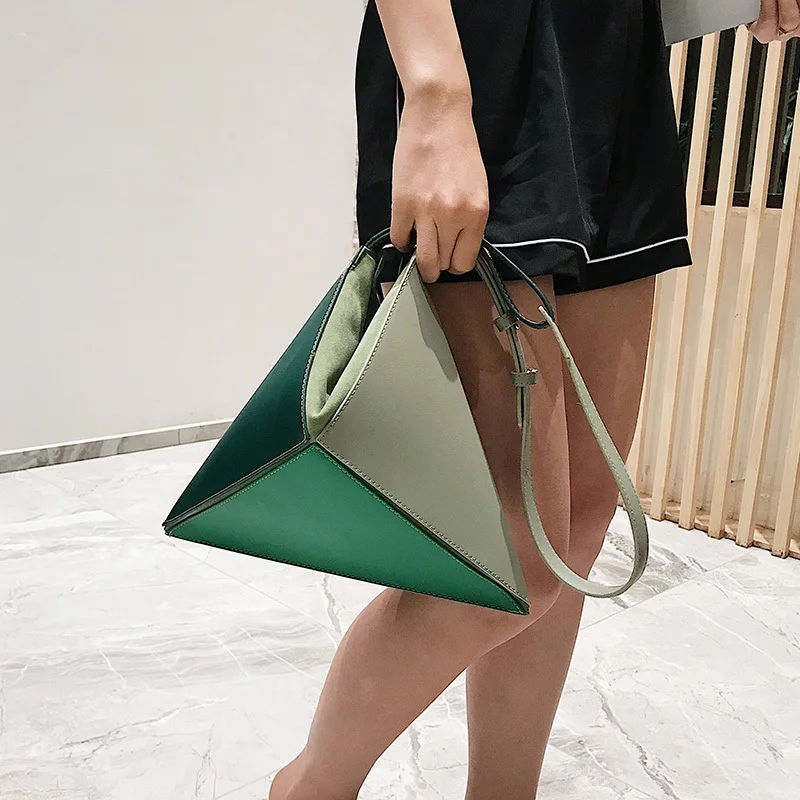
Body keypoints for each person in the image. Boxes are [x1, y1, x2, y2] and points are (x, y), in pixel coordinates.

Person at [270, 2, 799, 798]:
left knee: (575, 532)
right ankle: (309, 787)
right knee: (516, 551)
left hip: (614, 55)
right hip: (476, 46)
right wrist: (436, 90)